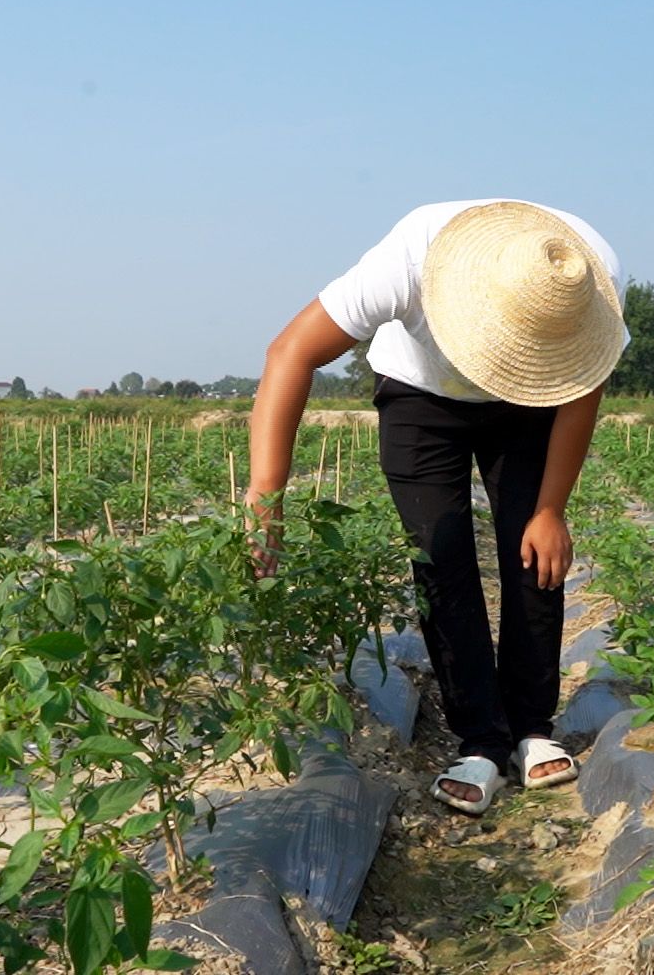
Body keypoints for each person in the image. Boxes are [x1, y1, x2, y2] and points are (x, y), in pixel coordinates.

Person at [246, 199, 627, 816]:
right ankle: (479, 740)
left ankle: (531, 728)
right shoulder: (410, 258)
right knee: (440, 553)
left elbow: (583, 390)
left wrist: (551, 508)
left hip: (531, 402)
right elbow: (289, 351)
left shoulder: (586, 276)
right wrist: (267, 500)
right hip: (421, 394)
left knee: (533, 551)